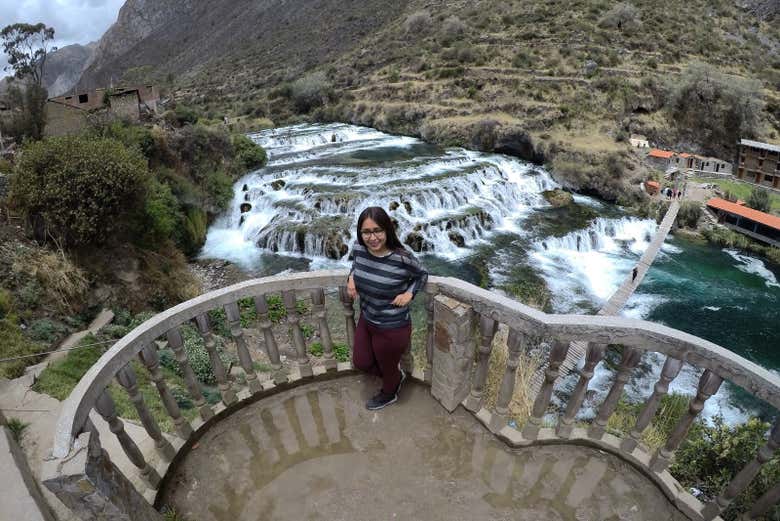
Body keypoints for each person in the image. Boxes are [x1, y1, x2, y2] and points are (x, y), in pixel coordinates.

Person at [347, 207, 428, 410]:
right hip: (367, 319)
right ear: (360, 233)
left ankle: (390, 392)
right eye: (366, 232)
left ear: (387, 231)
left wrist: (410, 293)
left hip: (392, 327)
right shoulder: (358, 248)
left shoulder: (401, 258)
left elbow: (422, 275)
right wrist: (351, 277)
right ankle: (395, 375)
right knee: (361, 362)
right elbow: (356, 264)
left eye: (378, 231)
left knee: (388, 366)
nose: (372, 237)